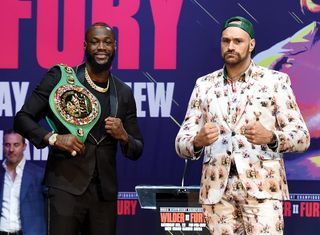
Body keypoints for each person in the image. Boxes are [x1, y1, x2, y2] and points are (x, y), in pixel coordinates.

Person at [175, 16, 310, 235]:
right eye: (226, 40)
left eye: (238, 41)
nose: (230, 46)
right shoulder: (204, 85)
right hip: (217, 193)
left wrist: (272, 137)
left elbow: (302, 137)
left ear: (251, 45)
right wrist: (197, 141)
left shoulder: (274, 82)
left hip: (263, 190)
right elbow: (181, 142)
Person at [14, 22, 144, 235]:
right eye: (95, 42)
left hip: (104, 195)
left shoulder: (123, 93)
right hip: (65, 187)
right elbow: (22, 119)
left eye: (107, 42)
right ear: (85, 46)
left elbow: (137, 148)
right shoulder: (61, 79)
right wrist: (54, 138)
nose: (101, 47)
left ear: (115, 47)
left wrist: (124, 136)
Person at [0, 129, 46, 235]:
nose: (11, 149)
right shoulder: (1, 173)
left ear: (24, 147)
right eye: (7, 145)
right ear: (3, 146)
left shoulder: (39, 174)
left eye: (16, 145)